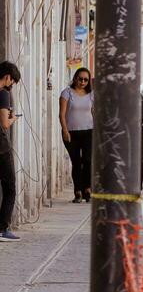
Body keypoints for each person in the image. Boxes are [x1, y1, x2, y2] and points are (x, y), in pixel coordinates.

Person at [59, 67, 94, 203]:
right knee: (76, 162)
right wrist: (65, 131)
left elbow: (95, 112)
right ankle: (78, 191)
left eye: (86, 79)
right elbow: (61, 114)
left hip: (89, 131)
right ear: (75, 78)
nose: (83, 82)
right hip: (71, 133)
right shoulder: (66, 93)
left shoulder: (91, 94)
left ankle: (87, 189)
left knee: (88, 160)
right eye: (80, 79)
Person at [0, 61, 20, 242]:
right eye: (12, 82)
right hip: (1, 148)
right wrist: (13, 118)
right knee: (10, 188)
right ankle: (2, 228)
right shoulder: (3, 95)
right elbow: (4, 124)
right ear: (7, 77)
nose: (11, 85)